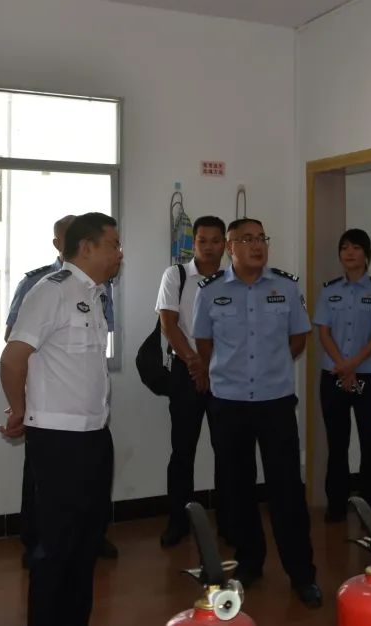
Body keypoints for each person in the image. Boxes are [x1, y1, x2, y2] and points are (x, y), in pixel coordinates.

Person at [0, 212, 125, 626]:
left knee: (86, 543)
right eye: (113, 244)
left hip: (94, 435)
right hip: (57, 439)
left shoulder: (97, 293)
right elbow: (13, 358)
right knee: (55, 546)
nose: (119, 253)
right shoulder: (50, 291)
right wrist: (19, 409)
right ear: (86, 247)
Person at [192, 218, 322, 608]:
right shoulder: (211, 292)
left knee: (287, 490)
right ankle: (250, 561)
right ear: (230, 247)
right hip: (229, 404)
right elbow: (204, 342)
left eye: (261, 238)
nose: (256, 245)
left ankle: (302, 574)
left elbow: (298, 338)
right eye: (246, 239)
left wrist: (271, 366)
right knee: (238, 489)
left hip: (275, 402)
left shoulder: (286, 287)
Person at [154, 215, 231, 548]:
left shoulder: (233, 279)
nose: (209, 247)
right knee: (182, 451)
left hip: (225, 375)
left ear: (225, 245)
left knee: (227, 451)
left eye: (215, 241)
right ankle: (178, 521)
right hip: (186, 372)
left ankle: (229, 521)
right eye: (202, 241)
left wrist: (211, 367)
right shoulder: (176, 275)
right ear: (193, 243)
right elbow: (168, 325)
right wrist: (195, 363)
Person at [312, 228, 371, 522]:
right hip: (334, 377)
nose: (349, 253)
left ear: (367, 254)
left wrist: (352, 364)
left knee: (370, 443)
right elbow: (324, 333)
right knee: (337, 444)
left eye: (355, 247)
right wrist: (343, 366)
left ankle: (370, 508)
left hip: (368, 379)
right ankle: (336, 505)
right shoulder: (329, 290)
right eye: (344, 248)